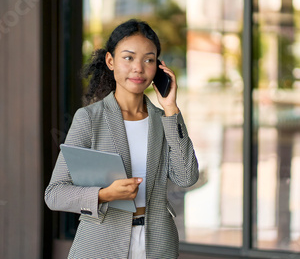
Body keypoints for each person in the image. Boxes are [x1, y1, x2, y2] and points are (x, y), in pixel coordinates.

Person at [45, 19, 199, 258]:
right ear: (110, 61)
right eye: (128, 58)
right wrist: (105, 194)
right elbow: (55, 194)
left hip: (156, 245)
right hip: (101, 245)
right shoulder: (89, 118)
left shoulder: (164, 119)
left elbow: (187, 176)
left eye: (148, 59)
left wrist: (170, 108)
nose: (138, 68)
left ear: (158, 67)